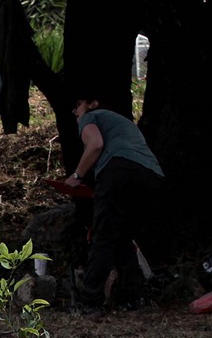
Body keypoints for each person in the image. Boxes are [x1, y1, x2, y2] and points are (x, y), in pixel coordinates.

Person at [66, 93, 164, 313]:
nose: (75, 111)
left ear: (93, 103)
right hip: (151, 177)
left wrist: (77, 175)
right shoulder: (123, 125)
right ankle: (135, 296)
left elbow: (95, 144)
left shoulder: (91, 117)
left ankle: (89, 300)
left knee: (103, 236)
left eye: (78, 104)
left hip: (119, 171)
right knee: (122, 236)